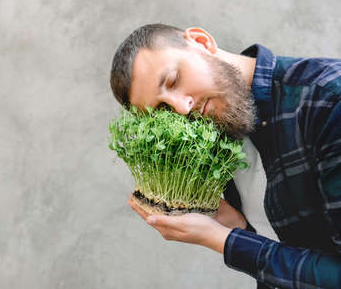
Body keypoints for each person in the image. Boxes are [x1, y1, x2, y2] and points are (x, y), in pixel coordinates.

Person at [109, 23, 341, 289]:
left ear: (201, 41)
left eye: (173, 80)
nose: (182, 108)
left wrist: (222, 239)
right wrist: (239, 228)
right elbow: (292, 255)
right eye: (162, 110)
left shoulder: (329, 102)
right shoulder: (215, 138)